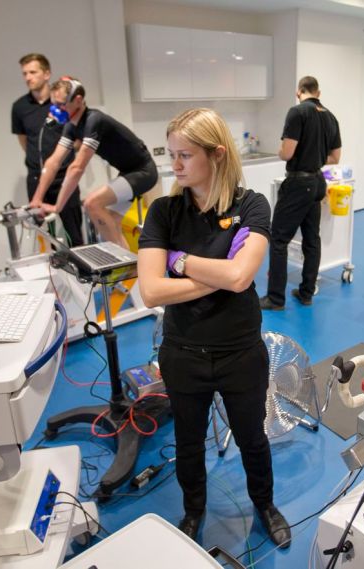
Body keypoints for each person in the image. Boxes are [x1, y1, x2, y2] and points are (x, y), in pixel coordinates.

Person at [137, 108, 291, 547]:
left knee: (252, 439)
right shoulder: (164, 212)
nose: (175, 165)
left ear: (217, 154)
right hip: (183, 352)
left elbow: (242, 279)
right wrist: (218, 274)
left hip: (240, 352)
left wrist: (180, 262)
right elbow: (151, 291)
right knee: (188, 443)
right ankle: (193, 511)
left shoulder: (252, 205)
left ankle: (264, 503)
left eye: (185, 155)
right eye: (171, 155)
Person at [31, 77, 157, 249]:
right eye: (53, 104)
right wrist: (37, 198)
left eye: (61, 104)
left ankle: (125, 267)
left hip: (144, 172)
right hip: (128, 173)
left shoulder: (94, 120)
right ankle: (131, 270)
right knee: (109, 225)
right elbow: (53, 162)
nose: (56, 110)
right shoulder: (71, 127)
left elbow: (76, 168)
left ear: (78, 100)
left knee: (92, 203)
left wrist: (57, 206)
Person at [260, 76, 341, 310]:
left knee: (278, 239)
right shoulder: (330, 116)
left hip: (298, 184)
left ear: (299, 92)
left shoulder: (297, 113)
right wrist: (314, 157)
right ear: (319, 92)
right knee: (311, 239)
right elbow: (335, 157)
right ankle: (306, 293)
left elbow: (286, 153)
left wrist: (286, 150)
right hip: (317, 182)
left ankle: (275, 298)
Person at [11, 53, 84, 246]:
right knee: (47, 235)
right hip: (36, 178)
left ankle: (82, 273)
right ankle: (56, 272)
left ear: (46, 74)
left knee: (74, 233)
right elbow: (24, 141)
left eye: (33, 72)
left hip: (63, 177)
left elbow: (79, 137)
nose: (28, 77)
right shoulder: (19, 107)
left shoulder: (62, 103)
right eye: (25, 73)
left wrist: (65, 156)